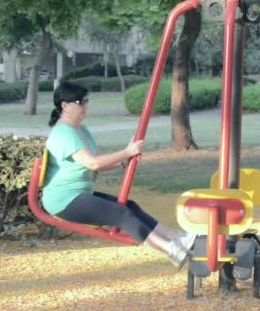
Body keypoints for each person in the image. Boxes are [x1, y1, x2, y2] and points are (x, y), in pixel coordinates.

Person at [43, 82, 195, 268]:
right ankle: (171, 250)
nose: (85, 107)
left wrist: (123, 161)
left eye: (86, 101)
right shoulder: (63, 134)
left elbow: (95, 164)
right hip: (63, 200)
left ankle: (177, 237)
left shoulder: (80, 130)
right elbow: (93, 162)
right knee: (120, 213)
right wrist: (127, 152)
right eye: (80, 102)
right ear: (65, 106)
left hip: (78, 194)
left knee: (128, 205)